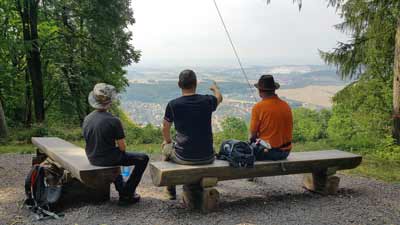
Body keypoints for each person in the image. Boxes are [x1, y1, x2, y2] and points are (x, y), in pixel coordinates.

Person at [82, 83, 149, 206]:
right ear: (110, 101)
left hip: (92, 157)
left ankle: (122, 189)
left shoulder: (87, 118)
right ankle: (127, 193)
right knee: (143, 158)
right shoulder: (113, 120)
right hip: (107, 159)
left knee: (114, 156)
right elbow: (123, 148)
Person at [162, 69, 223, 199]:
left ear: (179, 85)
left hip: (184, 157)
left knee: (166, 149)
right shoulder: (207, 100)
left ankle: (170, 190)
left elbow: (165, 129)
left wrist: (168, 142)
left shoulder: (173, 104)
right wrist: (215, 89)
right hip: (208, 156)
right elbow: (219, 98)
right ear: (196, 83)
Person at [250, 75, 293, 161]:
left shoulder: (258, 107)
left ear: (260, 90)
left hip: (268, 152)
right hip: (286, 152)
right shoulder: (286, 105)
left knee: (239, 151)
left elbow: (253, 135)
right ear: (274, 90)